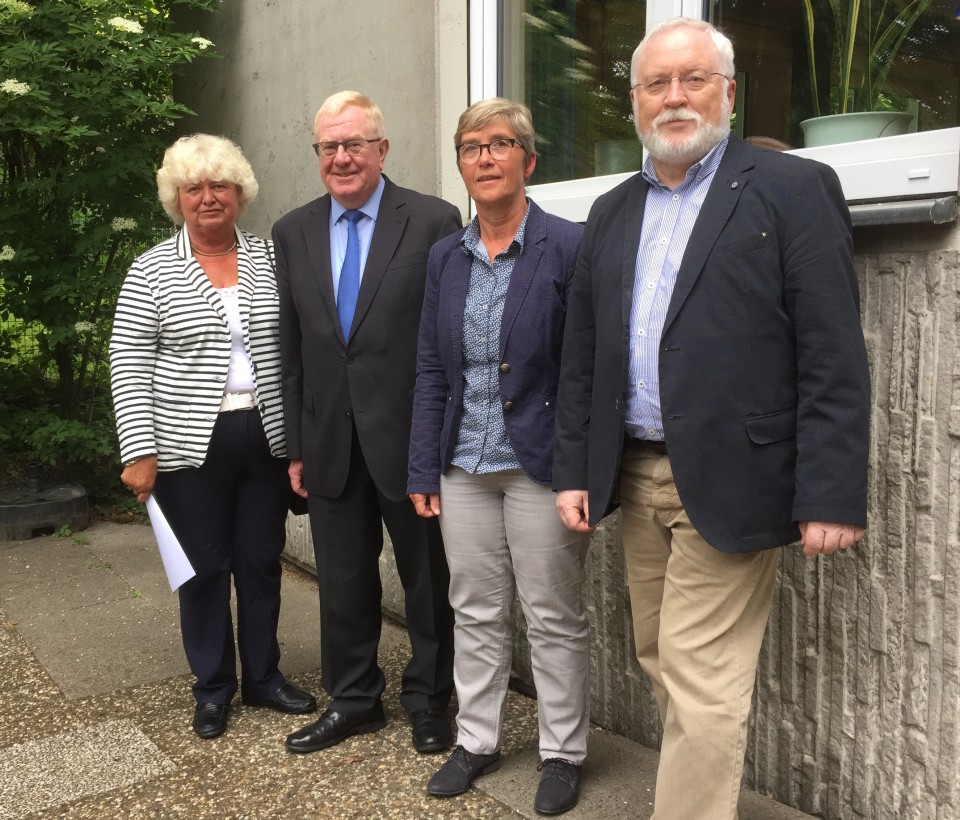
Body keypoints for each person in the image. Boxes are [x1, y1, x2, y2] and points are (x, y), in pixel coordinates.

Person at [553, 18, 870, 820]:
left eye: (693, 79)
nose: (674, 97)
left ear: (728, 90)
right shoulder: (613, 209)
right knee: (661, 657)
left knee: (698, 675)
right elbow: (583, 356)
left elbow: (832, 349)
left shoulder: (791, 188)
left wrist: (831, 491)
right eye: (656, 83)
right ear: (633, 102)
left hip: (736, 472)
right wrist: (575, 473)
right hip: (635, 469)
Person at [408, 99, 590, 816]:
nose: (484, 157)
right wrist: (424, 464)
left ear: (528, 160)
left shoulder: (567, 246)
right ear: (460, 164)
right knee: (475, 609)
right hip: (463, 465)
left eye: (500, 144)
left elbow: (583, 372)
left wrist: (579, 472)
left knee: (552, 614)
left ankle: (563, 752)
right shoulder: (443, 258)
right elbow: (430, 368)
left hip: (540, 466)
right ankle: (478, 738)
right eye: (471, 147)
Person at [110, 134, 317, 740]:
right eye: (194, 187)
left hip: (266, 436)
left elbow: (299, 347)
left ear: (240, 193)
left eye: (219, 185)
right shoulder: (151, 268)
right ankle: (213, 687)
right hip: (181, 447)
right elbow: (128, 360)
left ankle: (264, 677)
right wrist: (138, 451)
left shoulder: (271, 259)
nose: (208, 197)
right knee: (202, 570)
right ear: (177, 198)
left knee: (260, 562)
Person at [273, 91, 461, 755]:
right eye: (330, 146)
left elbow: (447, 342)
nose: (342, 157)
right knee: (342, 580)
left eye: (355, 144)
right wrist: (295, 444)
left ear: (382, 149)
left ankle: (429, 699)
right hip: (328, 440)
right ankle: (354, 700)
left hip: (411, 442)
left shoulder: (434, 220)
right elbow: (289, 347)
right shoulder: (291, 231)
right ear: (318, 156)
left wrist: (442, 442)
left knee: (427, 581)